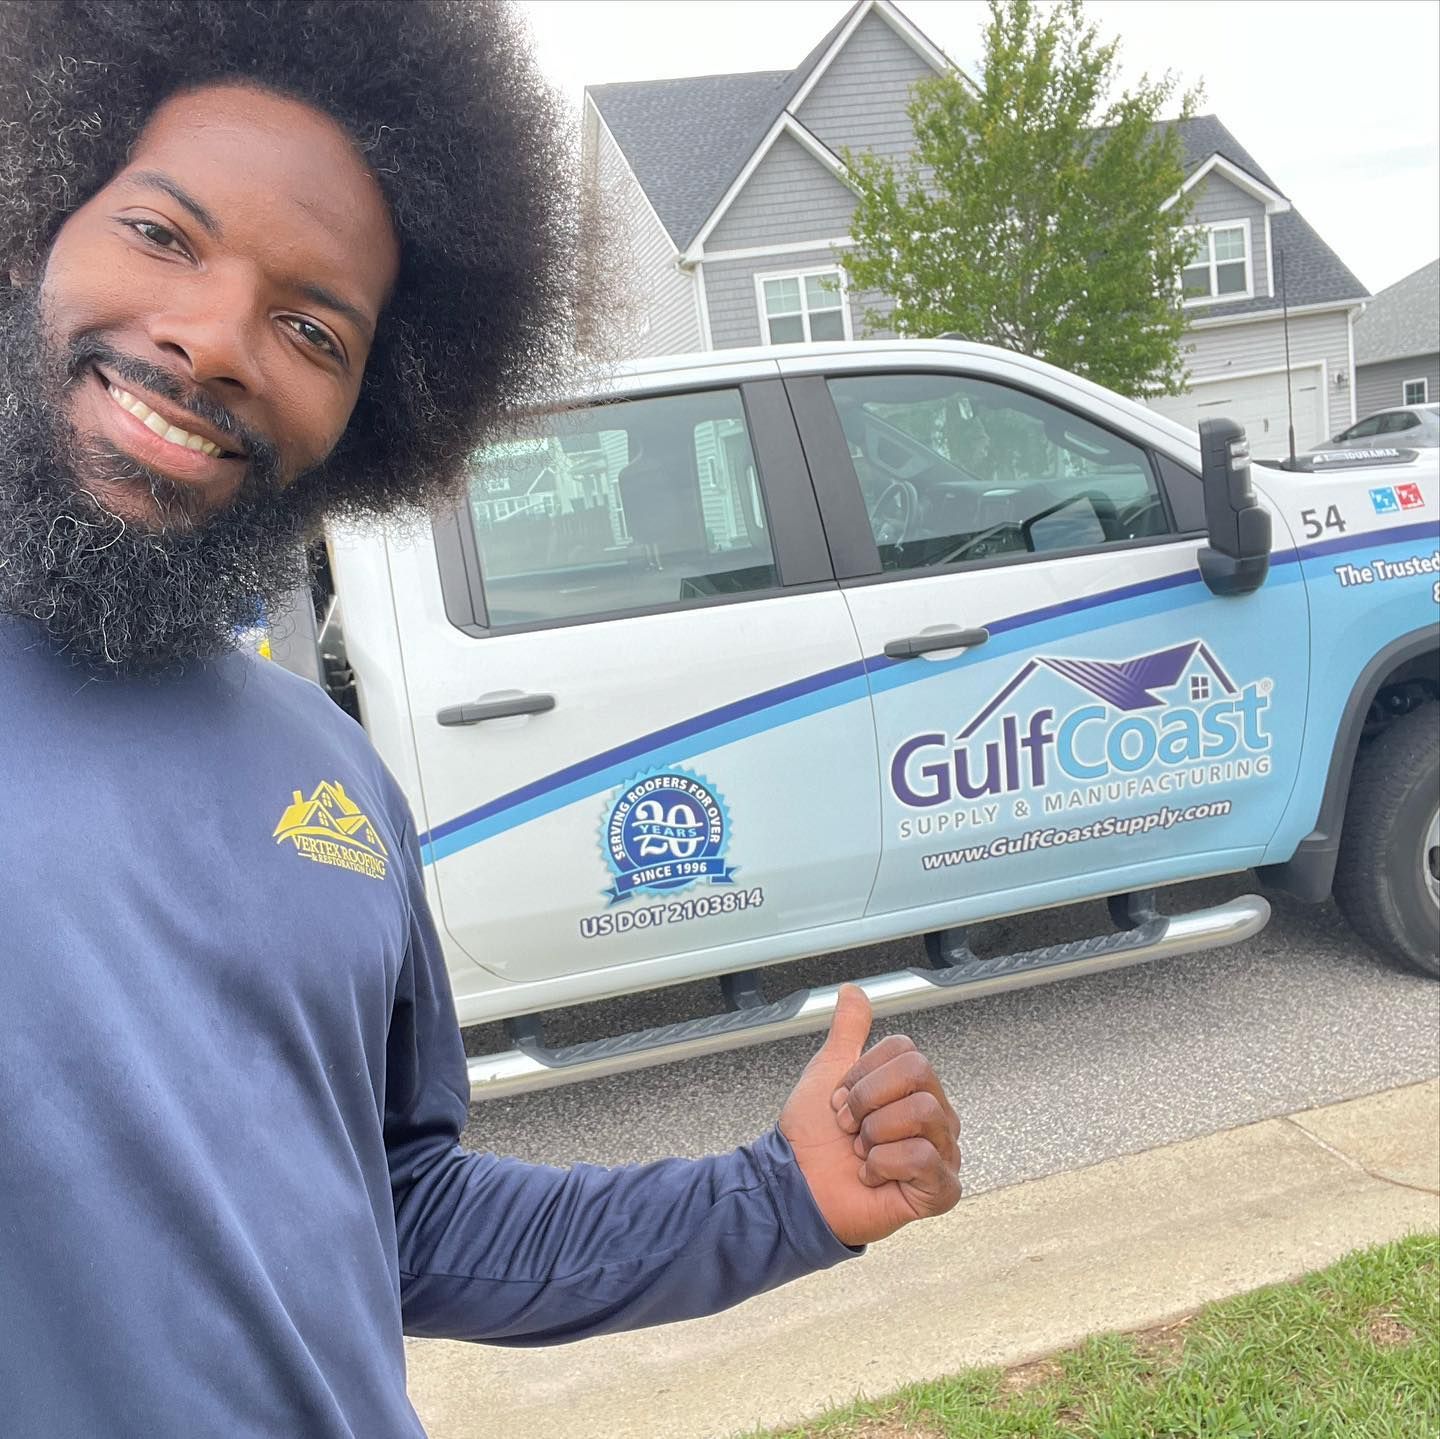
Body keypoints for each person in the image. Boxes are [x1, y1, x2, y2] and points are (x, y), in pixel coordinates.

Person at [0, 4, 963, 1435]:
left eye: (310, 325)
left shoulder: (329, 775)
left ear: (374, 415)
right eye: (160, 233)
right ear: (34, 216)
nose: (211, 341)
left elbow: (404, 1215)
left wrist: (779, 1198)